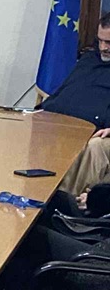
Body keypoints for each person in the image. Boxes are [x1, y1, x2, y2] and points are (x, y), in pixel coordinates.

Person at [43, 13, 110, 195]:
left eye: (109, 43)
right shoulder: (90, 60)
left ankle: (63, 200)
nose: (103, 48)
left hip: (101, 134)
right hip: (72, 126)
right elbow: (65, 93)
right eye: (100, 41)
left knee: (95, 146)